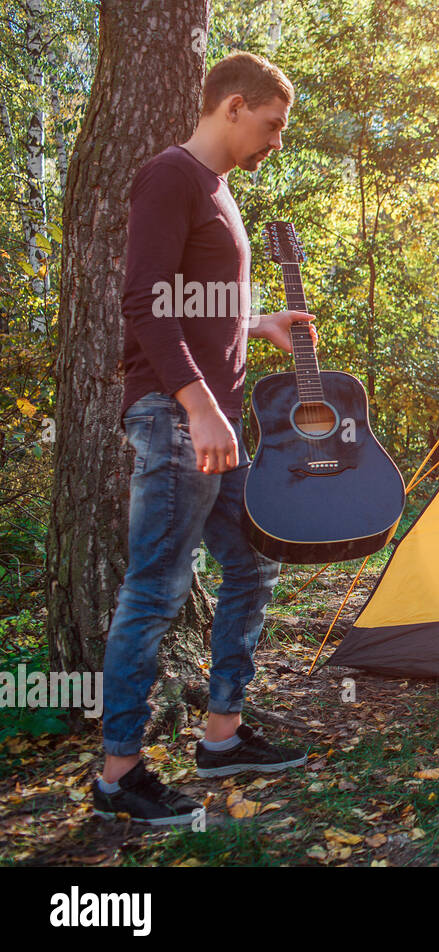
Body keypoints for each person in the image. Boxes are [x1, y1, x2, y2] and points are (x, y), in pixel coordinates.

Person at [93, 53, 315, 826]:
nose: (276, 141)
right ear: (231, 105)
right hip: (177, 415)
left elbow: (196, 302)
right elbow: (145, 304)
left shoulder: (219, 192)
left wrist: (259, 324)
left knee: (252, 568)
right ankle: (120, 774)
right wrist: (196, 405)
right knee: (154, 591)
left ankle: (222, 733)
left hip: (213, 418)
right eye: (272, 124)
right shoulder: (171, 177)